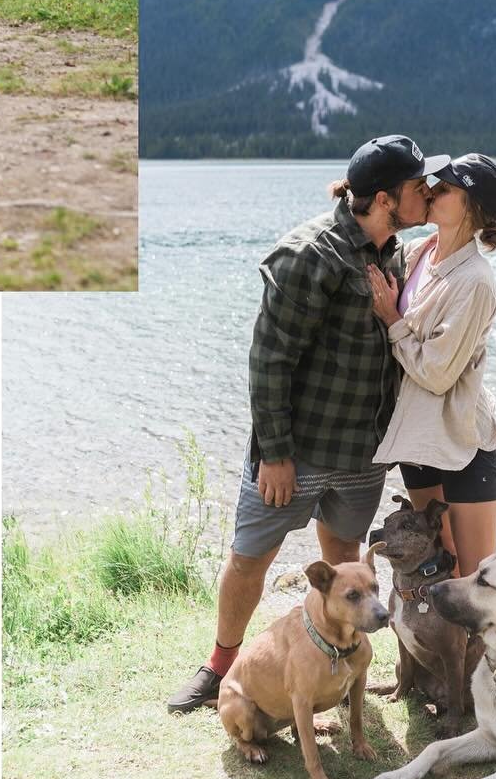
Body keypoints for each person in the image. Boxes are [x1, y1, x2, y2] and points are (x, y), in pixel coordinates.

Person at [166, 133, 448, 714]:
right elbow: (270, 359)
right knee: (250, 557)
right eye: (418, 185)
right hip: (295, 454)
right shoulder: (309, 254)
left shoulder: (391, 250)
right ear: (383, 197)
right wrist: (274, 452)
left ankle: (335, 666)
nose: (429, 192)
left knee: (342, 556)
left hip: (362, 456)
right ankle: (221, 666)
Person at [368, 153, 496, 577]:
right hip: (420, 440)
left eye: (445, 188)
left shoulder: (476, 281)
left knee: (476, 579)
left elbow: (437, 373)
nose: (430, 190)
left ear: (472, 208)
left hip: (463, 441)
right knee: (435, 567)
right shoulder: (418, 252)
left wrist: (393, 322)